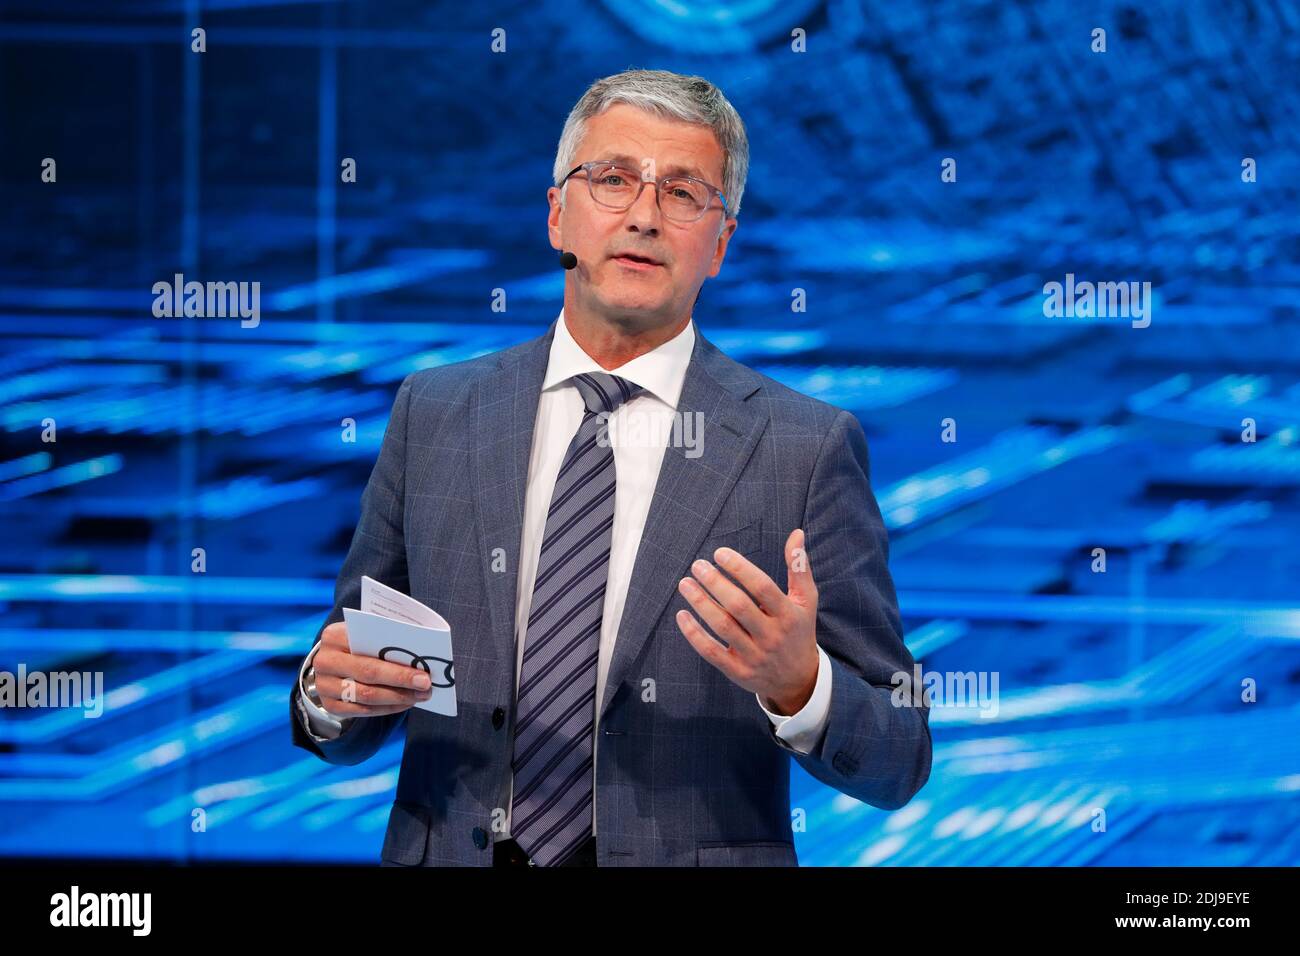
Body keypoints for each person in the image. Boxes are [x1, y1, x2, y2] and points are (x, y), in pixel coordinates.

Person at [290, 68, 931, 867]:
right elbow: (355, 679)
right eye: (614, 179)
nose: (643, 216)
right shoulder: (435, 413)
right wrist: (325, 695)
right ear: (559, 213)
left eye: (684, 193)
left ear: (720, 245)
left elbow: (901, 756)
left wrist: (803, 686)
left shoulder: (805, 447)